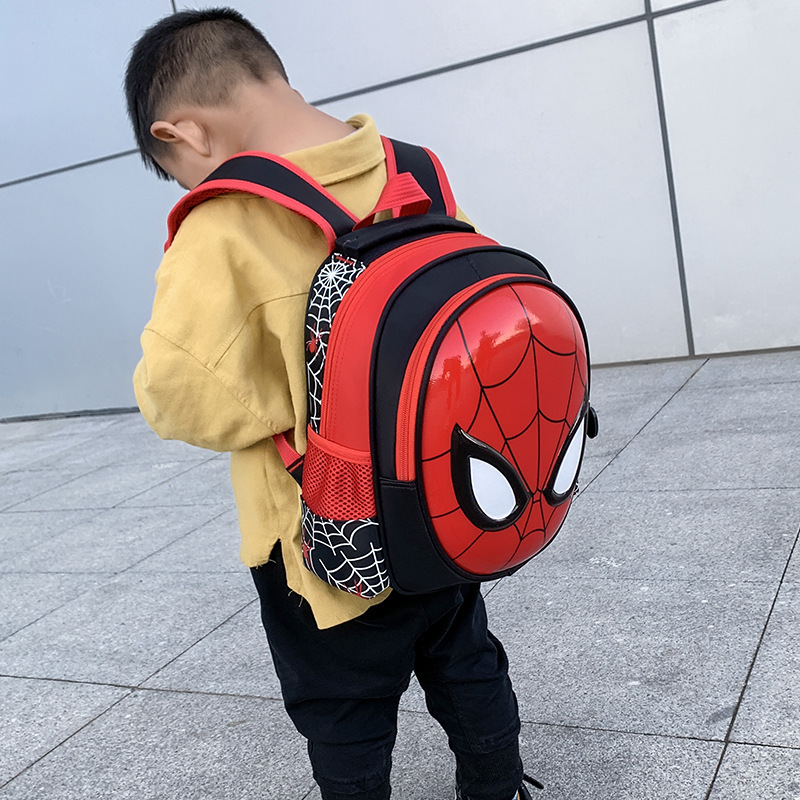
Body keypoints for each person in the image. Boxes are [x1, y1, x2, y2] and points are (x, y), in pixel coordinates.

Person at [125, 8, 541, 800]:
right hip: (439, 505)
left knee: (343, 708)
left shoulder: (224, 224)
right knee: (467, 662)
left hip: (322, 541)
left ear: (185, 133)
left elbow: (179, 397)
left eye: (180, 171)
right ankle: (496, 787)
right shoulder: (416, 172)